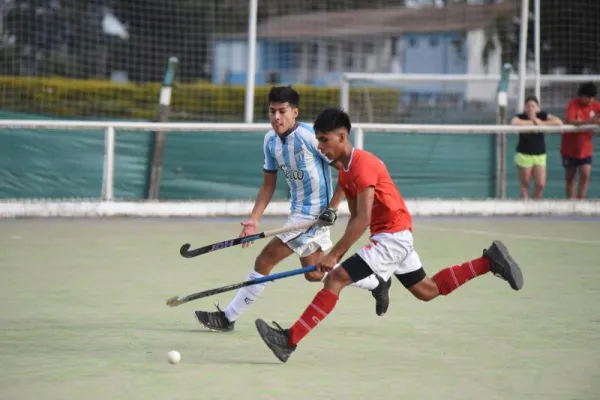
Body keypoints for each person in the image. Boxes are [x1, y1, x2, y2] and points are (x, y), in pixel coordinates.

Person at [254, 107, 524, 363]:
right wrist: (328, 218)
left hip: (391, 235)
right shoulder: (346, 171)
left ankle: (289, 340)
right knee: (427, 291)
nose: (321, 146)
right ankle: (489, 262)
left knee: (335, 278)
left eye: (324, 140)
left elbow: (363, 218)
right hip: (392, 234)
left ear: (342, 136)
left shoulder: (362, 165)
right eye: (318, 140)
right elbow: (351, 204)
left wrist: (334, 254)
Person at [193, 87, 391, 332]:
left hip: (314, 217)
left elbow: (344, 169)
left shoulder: (311, 137)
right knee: (315, 273)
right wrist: (254, 219)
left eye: (282, 111)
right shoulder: (270, 141)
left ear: (294, 112)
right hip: (298, 214)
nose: (276, 117)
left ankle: (228, 318)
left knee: (264, 260)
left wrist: (332, 208)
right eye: (272, 111)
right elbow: (269, 184)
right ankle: (376, 282)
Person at [511, 95, 562, 199]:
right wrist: (533, 122)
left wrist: (540, 123)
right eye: (528, 106)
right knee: (525, 184)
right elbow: (514, 122)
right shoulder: (521, 116)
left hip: (540, 155)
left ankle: (534, 203)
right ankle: (525, 206)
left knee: (540, 184)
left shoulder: (542, 115)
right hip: (524, 154)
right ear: (525, 108)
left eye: (533, 106)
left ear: (538, 108)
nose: (530, 108)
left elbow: (558, 122)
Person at [561, 82, 600, 199]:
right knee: (570, 177)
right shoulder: (573, 104)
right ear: (581, 96)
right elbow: (570, 121)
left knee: (585, 174)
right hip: (569, 148)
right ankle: (570, 202)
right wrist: (589, 121)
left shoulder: (595, 105)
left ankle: (580, 200)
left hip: (586, 148)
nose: (590, 100)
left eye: (592, 98)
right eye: (588, 97)